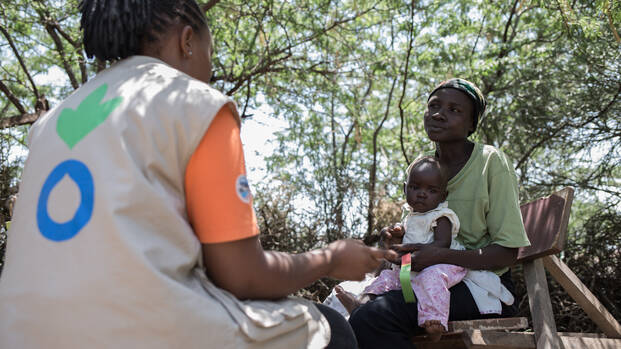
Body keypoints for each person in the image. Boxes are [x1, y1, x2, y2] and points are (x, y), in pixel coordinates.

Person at [0, 1, 396, 348]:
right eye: (210, 51)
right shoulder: (194, 102)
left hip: (20, 332)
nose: (209, 68)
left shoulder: (49, 125)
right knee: (328, 329)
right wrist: (329, 259)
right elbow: (243, 276)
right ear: (187, 40)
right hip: (138, 331)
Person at [348, 78, 531, 348]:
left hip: (482, 287)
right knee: (356, 310)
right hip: (422, 280)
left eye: (454, 110)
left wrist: (441, 254)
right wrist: (396, 243)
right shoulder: (424, 167)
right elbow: (417, 235)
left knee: (375, 318)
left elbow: (507, 252)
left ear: (471, 125)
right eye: (433, 106)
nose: (438, 114)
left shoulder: (491, 163)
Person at [335, 156, 467, 339]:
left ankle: (435, 321)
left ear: (443, 196)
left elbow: (442, 244)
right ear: (405, 189)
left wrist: (412, 250)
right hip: (413, 264)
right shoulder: (410, 218)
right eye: (415, 188)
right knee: (387, 278)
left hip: (441, 264)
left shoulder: (441, 216)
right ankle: (361, 303)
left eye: (431, 190)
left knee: (431, 279)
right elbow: (404, 246)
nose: (422, 193)